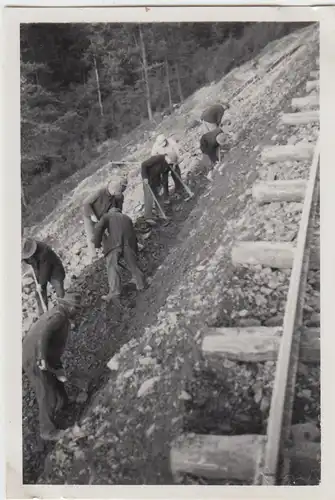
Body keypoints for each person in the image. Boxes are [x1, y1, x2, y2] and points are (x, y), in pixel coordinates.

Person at [22, 292, 82, 441]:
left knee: (56, 373)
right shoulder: (58, 316)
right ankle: (47, 430)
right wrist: (41, 358)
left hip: (44, 353)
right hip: (34, 355)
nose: (78, 311)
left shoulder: (61, 314)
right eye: (76, 308)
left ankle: (63, 401)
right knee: (45, 390)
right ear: (68, 306)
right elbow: (44, 334)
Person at [93, 207, 145, 307]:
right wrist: (135, 248)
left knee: (112, 267)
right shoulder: (127, 218)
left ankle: (115, 292)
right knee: (133, 265)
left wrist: (97, 243)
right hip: (129, 244)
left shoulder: (107, 216)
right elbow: (133, 234)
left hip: (114, 245)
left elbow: (98, 228)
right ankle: (141, 284)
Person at [82, 175, 128, 260]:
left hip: (102, 215)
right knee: (91, 235)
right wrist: (92, 215)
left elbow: (118, 209)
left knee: (104, 231)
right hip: (89, 214)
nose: (117, 196)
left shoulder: (118, 196)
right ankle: (93, 256)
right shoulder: (100, 192)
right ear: (112, 191)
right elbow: (85, 203)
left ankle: (109, 248)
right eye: (115, 194)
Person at [22, 238, 66, 315]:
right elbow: (30, 263)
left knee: (58, 287)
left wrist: (40, 284)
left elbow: (44, 270)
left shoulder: (44, 250)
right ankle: (43, 314)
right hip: (39, 269)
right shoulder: (24, 250)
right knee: (38, 293)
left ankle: (63, 309)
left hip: (54, 269)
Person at [141, 153, 173, 221]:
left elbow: (164, 176)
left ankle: (161, 214)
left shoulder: (168, 165)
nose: (169, 164)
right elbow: (143, 164)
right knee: (149, 198)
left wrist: (161, 185)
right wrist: (145, 177)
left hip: (156, 180)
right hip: (147, 180)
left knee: (158, 197)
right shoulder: (158, 158)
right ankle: (148, 217)